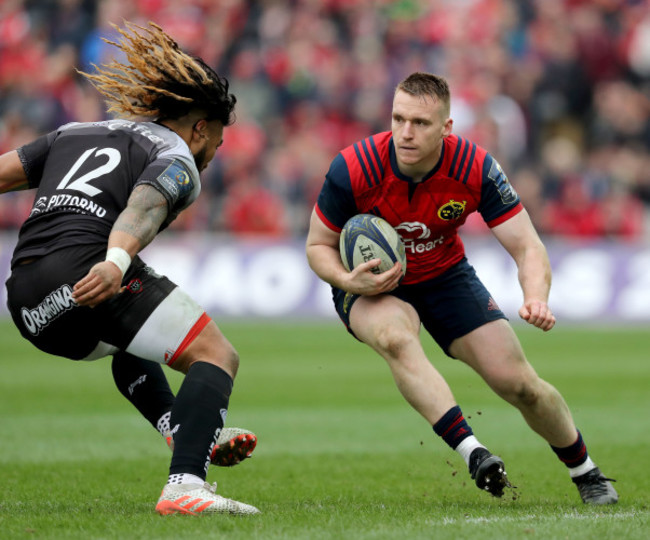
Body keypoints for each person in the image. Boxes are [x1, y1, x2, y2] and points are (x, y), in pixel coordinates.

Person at [305, 72, 618, 505]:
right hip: (370, 284)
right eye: (398, 119)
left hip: (444, 274)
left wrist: (535, 297)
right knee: (397, 337)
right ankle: (473, 452)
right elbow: (318, 245)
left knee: (520, 384)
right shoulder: (354, 167)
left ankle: (587, 473)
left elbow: (527, 245)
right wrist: (346, 279)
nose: (405, 132)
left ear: (447, 128)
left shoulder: (475, 167)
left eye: (420, 123)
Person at [0, 21, 260, 515]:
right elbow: (144, 204)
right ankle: (185, 485)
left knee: (131, 345)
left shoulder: (77, 131)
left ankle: (178, 426)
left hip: (27, 300)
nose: (210, 158)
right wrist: (116, 261)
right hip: (86, 271)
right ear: (199, 127)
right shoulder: (174, 151)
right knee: (215, 354)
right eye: (216, 145)